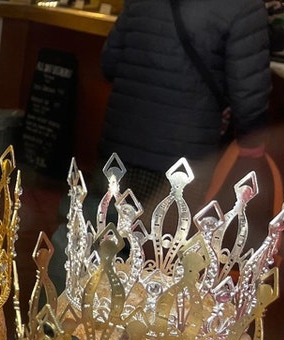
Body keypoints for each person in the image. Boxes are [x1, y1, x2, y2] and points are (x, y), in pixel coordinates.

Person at [98, 0, 273, 205]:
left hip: (121, 143)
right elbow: (249, 92)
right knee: (168, 232)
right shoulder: (244, 5)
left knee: (106, 227)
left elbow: (109, 64)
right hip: (185, 155)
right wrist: (251, 142)